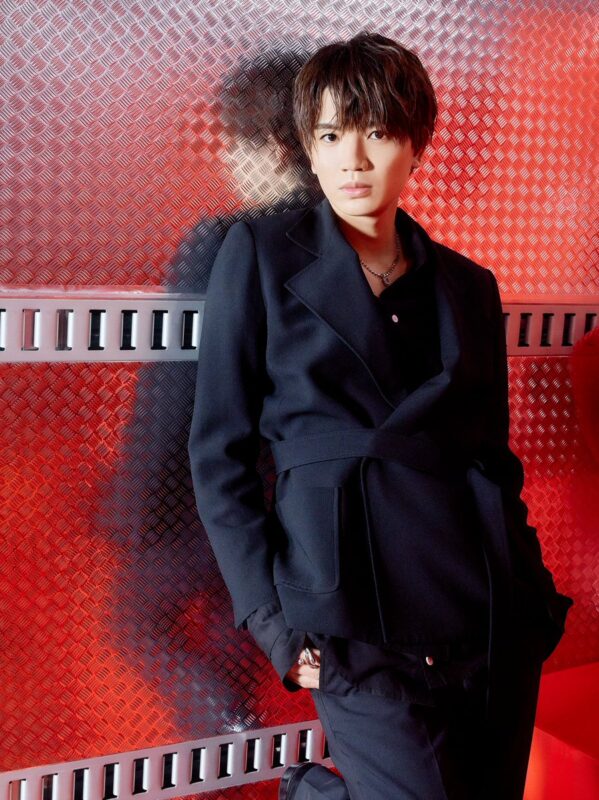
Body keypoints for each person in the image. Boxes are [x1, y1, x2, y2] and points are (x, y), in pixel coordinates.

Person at [187, 30, 573, 800]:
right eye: (331, 135)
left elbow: (491, 457)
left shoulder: (466, 285)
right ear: (309, 147)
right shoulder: (259, 255)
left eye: (376, 133)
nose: (352, 159)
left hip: (483, 608)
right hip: (349, 614)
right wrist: (273, 624)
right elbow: (218, 456)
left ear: (415, 145)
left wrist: (530, 595)